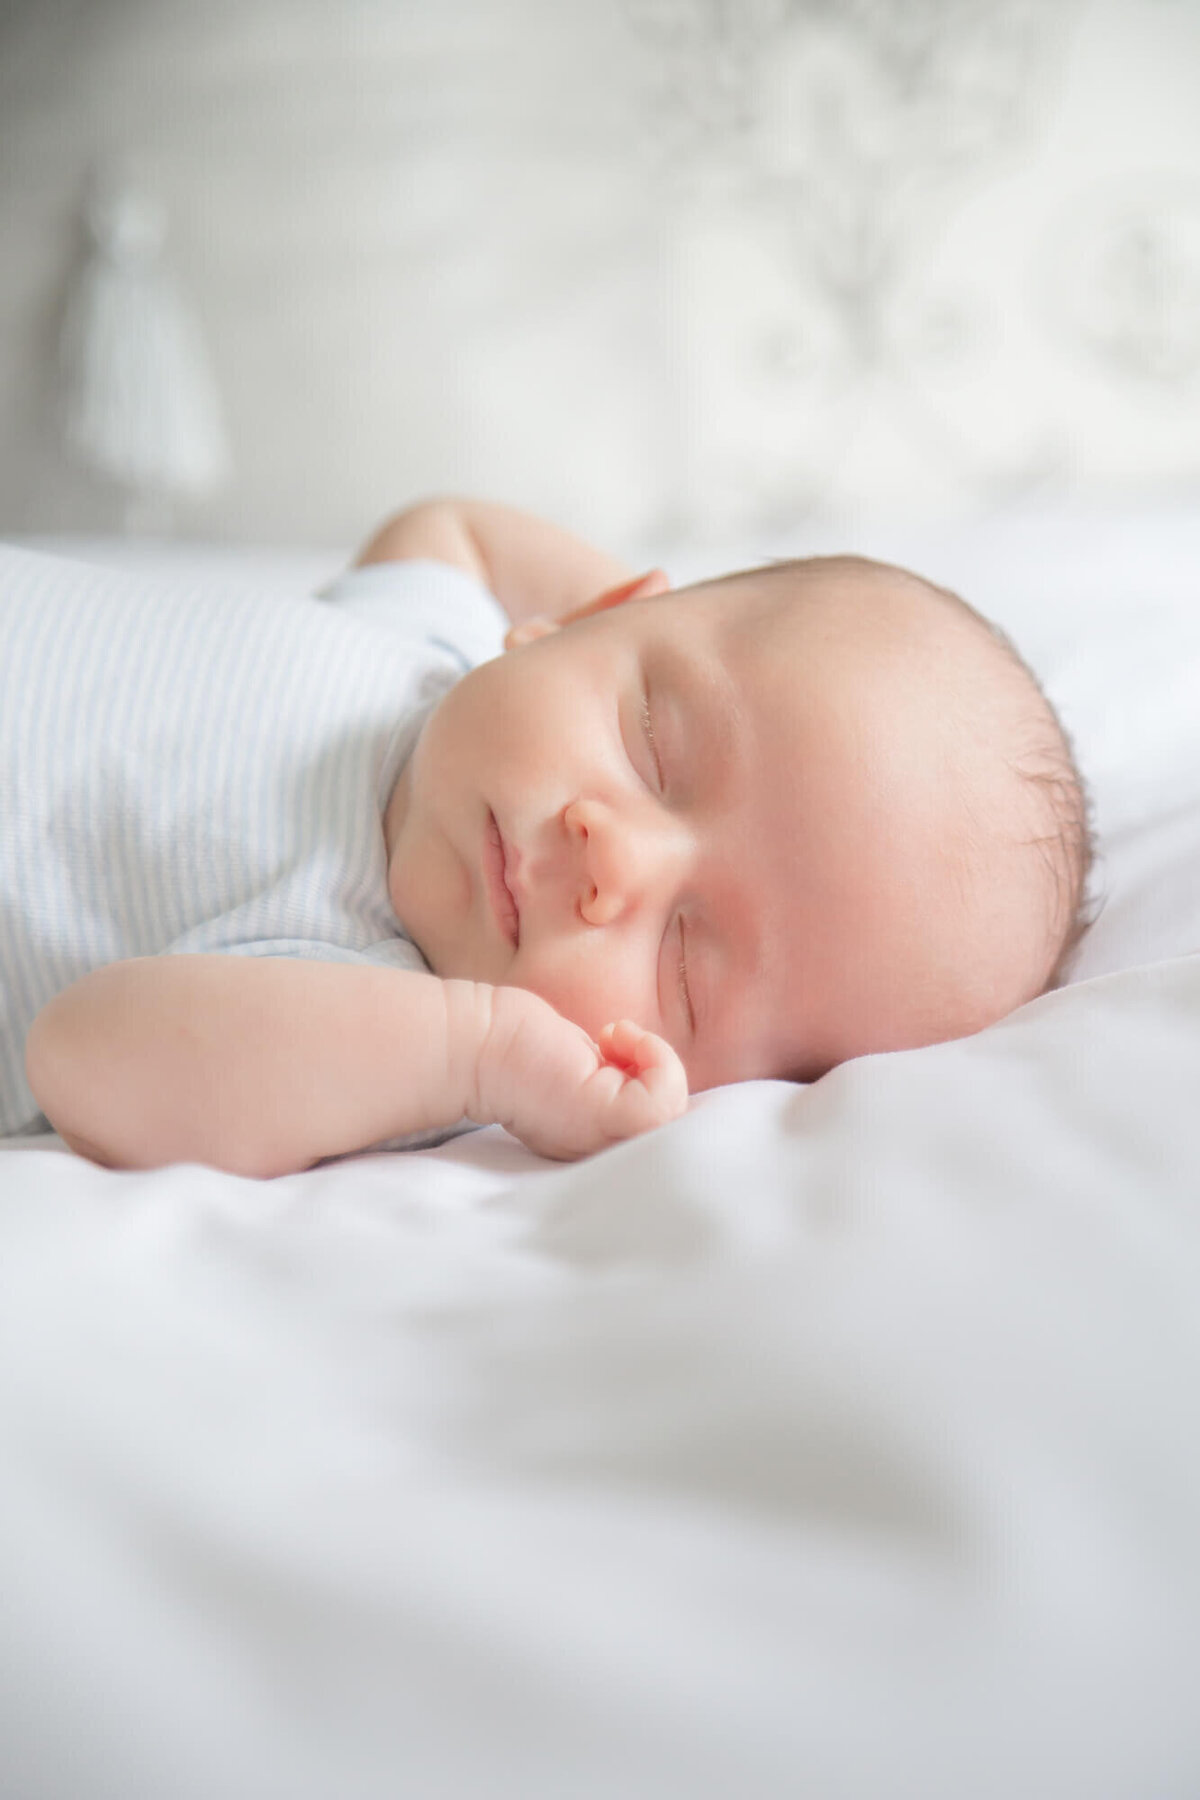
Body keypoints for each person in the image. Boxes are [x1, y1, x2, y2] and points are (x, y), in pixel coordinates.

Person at [15, 498, 1091, 1176]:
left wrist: (481, 1059)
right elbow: (453, 529)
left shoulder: (372, 1015)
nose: (613, 859)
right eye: (656, 745)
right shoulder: (432, 649)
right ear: (587, 621)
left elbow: (82, 1057)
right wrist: (595, 623)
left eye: (683, 961)